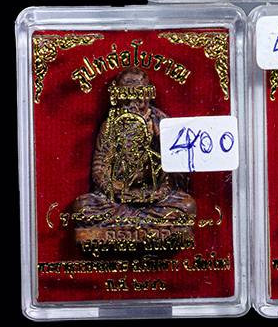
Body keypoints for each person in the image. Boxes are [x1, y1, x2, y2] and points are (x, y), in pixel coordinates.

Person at [72, 67, 196, 252]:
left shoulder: (161, 123)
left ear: (148, 95)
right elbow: (100, 166)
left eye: (139, 94)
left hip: (156, 199)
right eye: (127, 95)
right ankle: (144, 228)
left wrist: (161, 190)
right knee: (82, 207)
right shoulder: (111, 124)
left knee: (187, 205)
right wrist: (114, 189)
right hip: (118, 199)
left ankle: (136, 227)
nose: (133, 101)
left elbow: (176, 167)